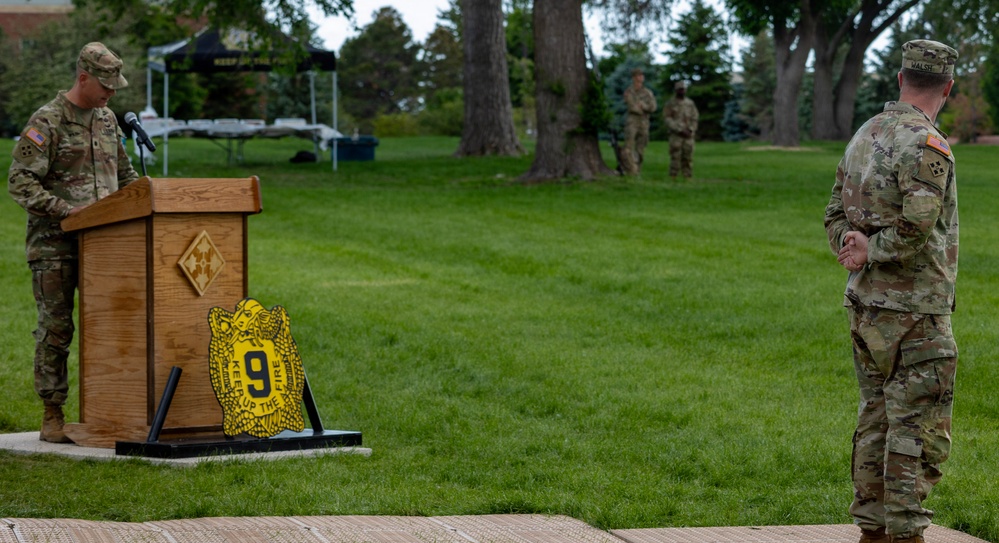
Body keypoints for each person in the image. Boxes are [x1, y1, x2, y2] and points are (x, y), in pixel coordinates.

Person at [824, 39, 959, 543]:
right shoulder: (927, 145)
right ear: (947, 88)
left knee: (876, 417)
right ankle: (904, 535)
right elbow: (918, 227)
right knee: (914, 426)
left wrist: (854, 247)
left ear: (902, 80)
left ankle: (871, 531)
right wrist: (872, 250)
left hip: (865, 307)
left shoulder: (865, 135)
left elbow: (834, 211)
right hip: (916, 312)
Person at [8, 42, 139, 443]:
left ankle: (114, 410)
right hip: (55, 247)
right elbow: (19, 182)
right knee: (57, 329)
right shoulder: (47, 121)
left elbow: (127, 176)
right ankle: (53, 413)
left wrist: (146, 205)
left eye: (116, 85)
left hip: (106, 244)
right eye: (105, 84)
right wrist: (66, 211)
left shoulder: (107, 120)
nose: (112, 92)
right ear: (82, 77)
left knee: (113, 326)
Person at [620, 68, 657, 175]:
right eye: (638, 76)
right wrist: (642, 109)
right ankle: (631, 169)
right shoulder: (629, 92)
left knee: (640, 148)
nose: (640, 78)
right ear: (633, 78)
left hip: (644, 123)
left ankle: (638, 168)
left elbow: (653, 107)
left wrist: (644, 106)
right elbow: (632, 107)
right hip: (632, 121)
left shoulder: (648, 93)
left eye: (641, 76)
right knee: (628, 146)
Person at [662, 81, 698, 179]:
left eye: (683, 89)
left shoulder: (690, 103)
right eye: (680, 89)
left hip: (688, 135)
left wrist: (691, 130)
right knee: (675, 156)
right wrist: (679, 129)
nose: (682, 91)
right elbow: (667, 118)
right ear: (676, 91)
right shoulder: (670, 103)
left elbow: (694, 118)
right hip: (676, 135)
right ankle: (673, 176)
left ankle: (687, 176)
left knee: (688, 156)